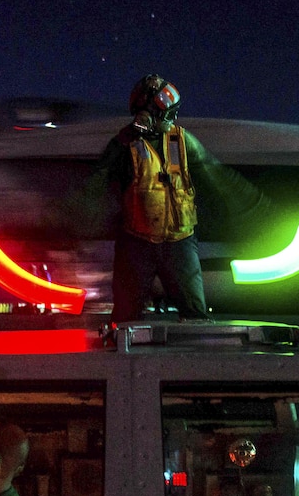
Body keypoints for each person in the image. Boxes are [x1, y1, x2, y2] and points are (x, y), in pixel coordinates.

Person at [96, 74, 270, 324]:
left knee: (195, 316)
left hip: (180, 242)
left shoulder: (182, 139)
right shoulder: (123, 146)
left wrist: (254, 205)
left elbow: (216, 174)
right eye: (168, 114)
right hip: (136, 244)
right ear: (146, 113)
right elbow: (97, 188)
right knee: (124, 320)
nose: (173, 119)